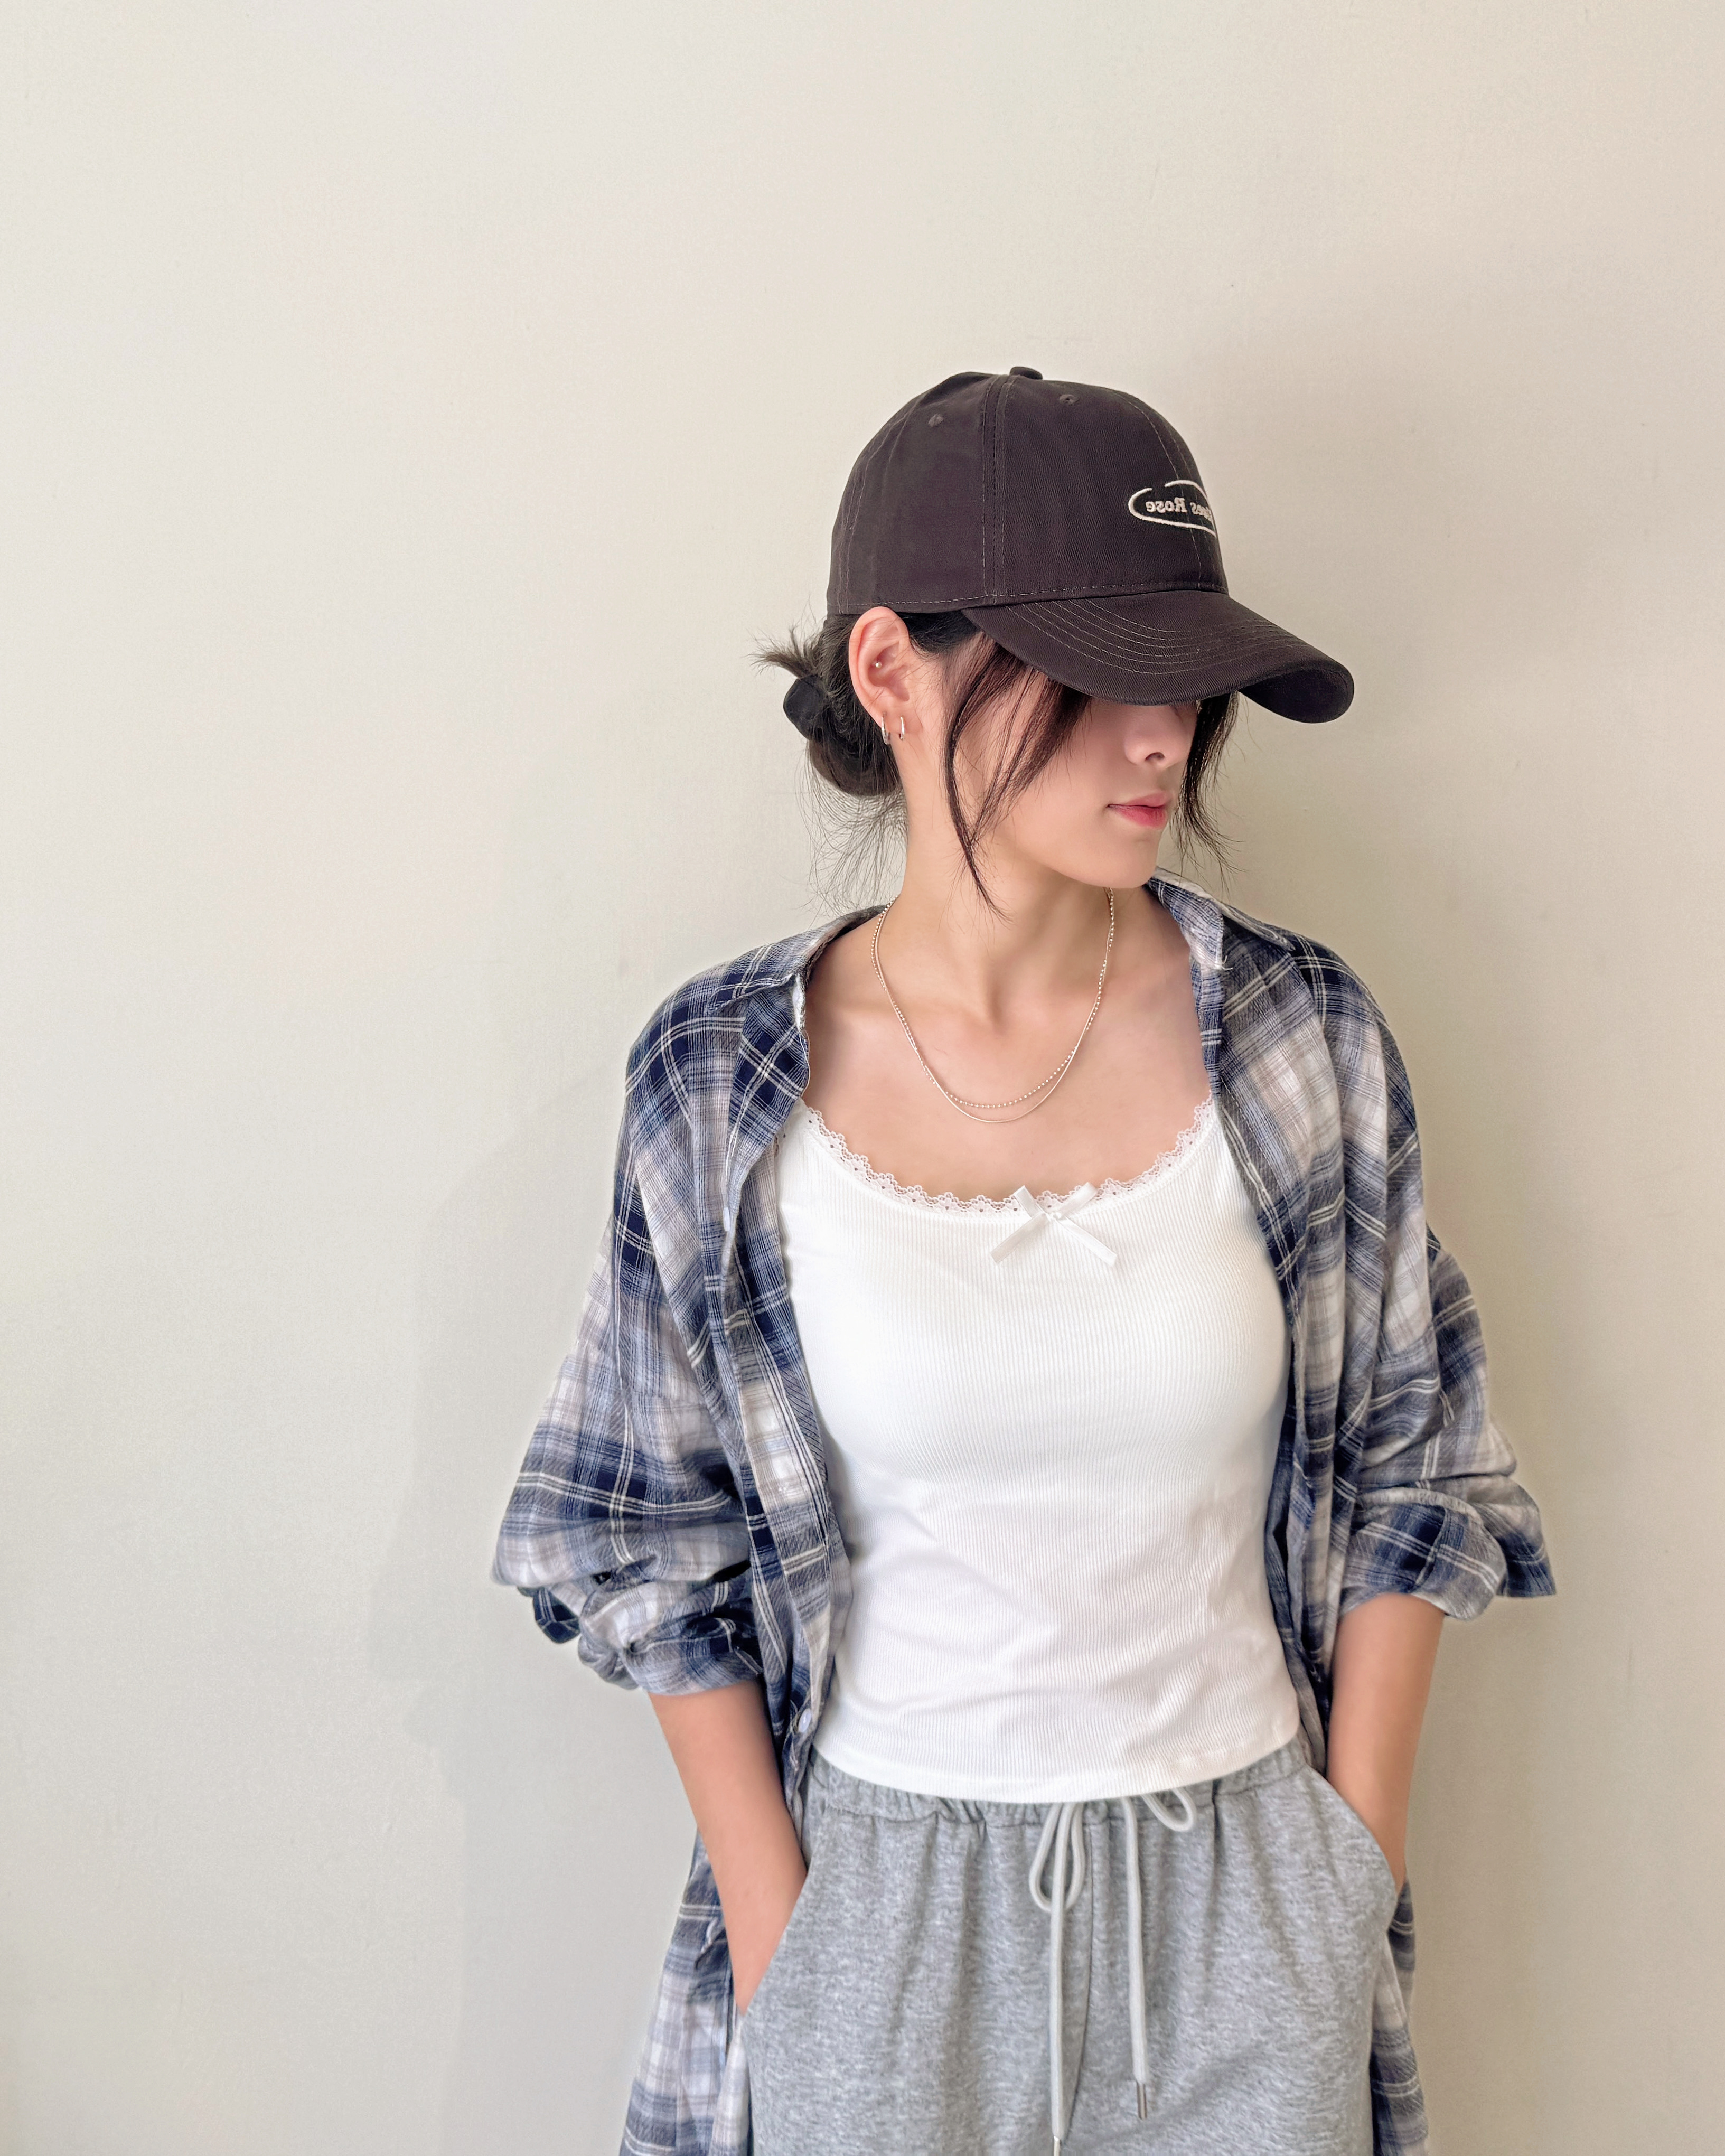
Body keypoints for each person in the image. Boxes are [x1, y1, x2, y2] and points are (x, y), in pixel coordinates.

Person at [493, 366, 1555, 2156]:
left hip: (1238, 1884)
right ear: (893, 672)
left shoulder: (1298, 1038)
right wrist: (785, 1936)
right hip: (881, 1902)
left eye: (1186, 681)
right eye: (1096, 674)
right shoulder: (723, 1076)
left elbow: (1411, 1460)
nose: (1164, 735)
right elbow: (639, 1529)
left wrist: (1340, 1873)